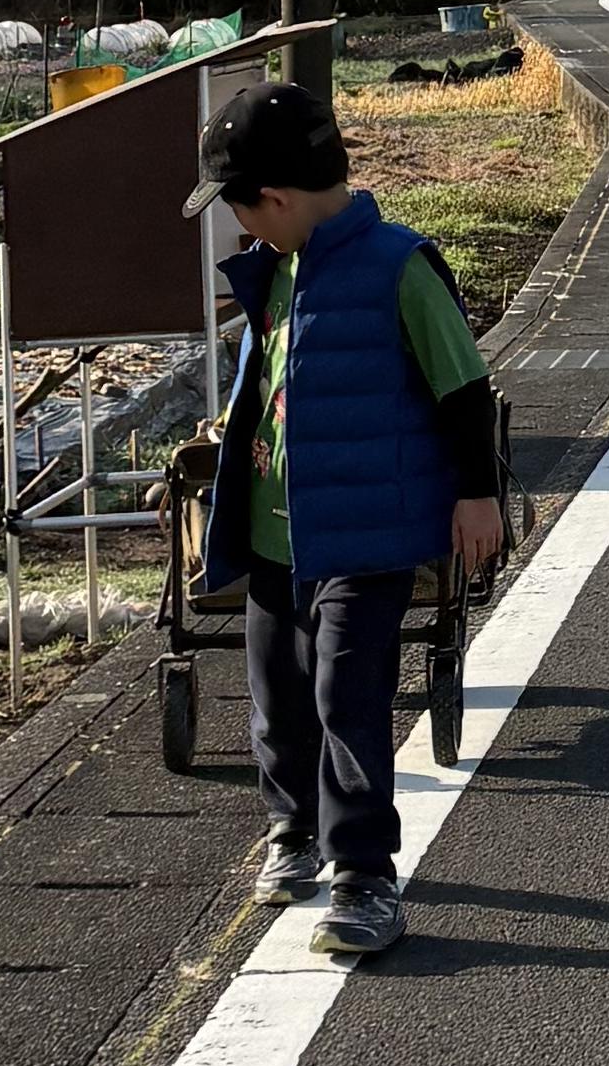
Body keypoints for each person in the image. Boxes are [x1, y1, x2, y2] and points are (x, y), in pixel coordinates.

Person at [186, 77, 507, 964]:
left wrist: (477, 496)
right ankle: (292, 832)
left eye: (239, 210)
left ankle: (365, 875)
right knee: (276, 695)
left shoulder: (399, 266)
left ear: (277, 199)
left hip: (364, 536)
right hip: (277, 532)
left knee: (346, 698)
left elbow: (465, 390)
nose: (237, 230)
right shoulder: (277, 268)